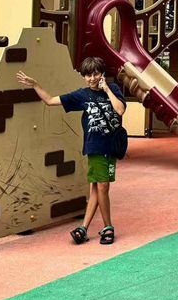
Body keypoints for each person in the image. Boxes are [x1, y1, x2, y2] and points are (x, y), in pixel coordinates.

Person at [17, 57, 126, 246]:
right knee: (102, 186)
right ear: (83, 77)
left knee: (97, 189)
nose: (92, 78)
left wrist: (107, 89)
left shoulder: (114, 89)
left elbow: (120, 110)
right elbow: (50, 101)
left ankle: (83, 228)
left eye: (95, 74)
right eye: (88, 75)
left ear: (102, 74)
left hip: (112, 147)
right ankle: (108, 227)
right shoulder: (82, 95)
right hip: (95, 147)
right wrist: (35, 85)